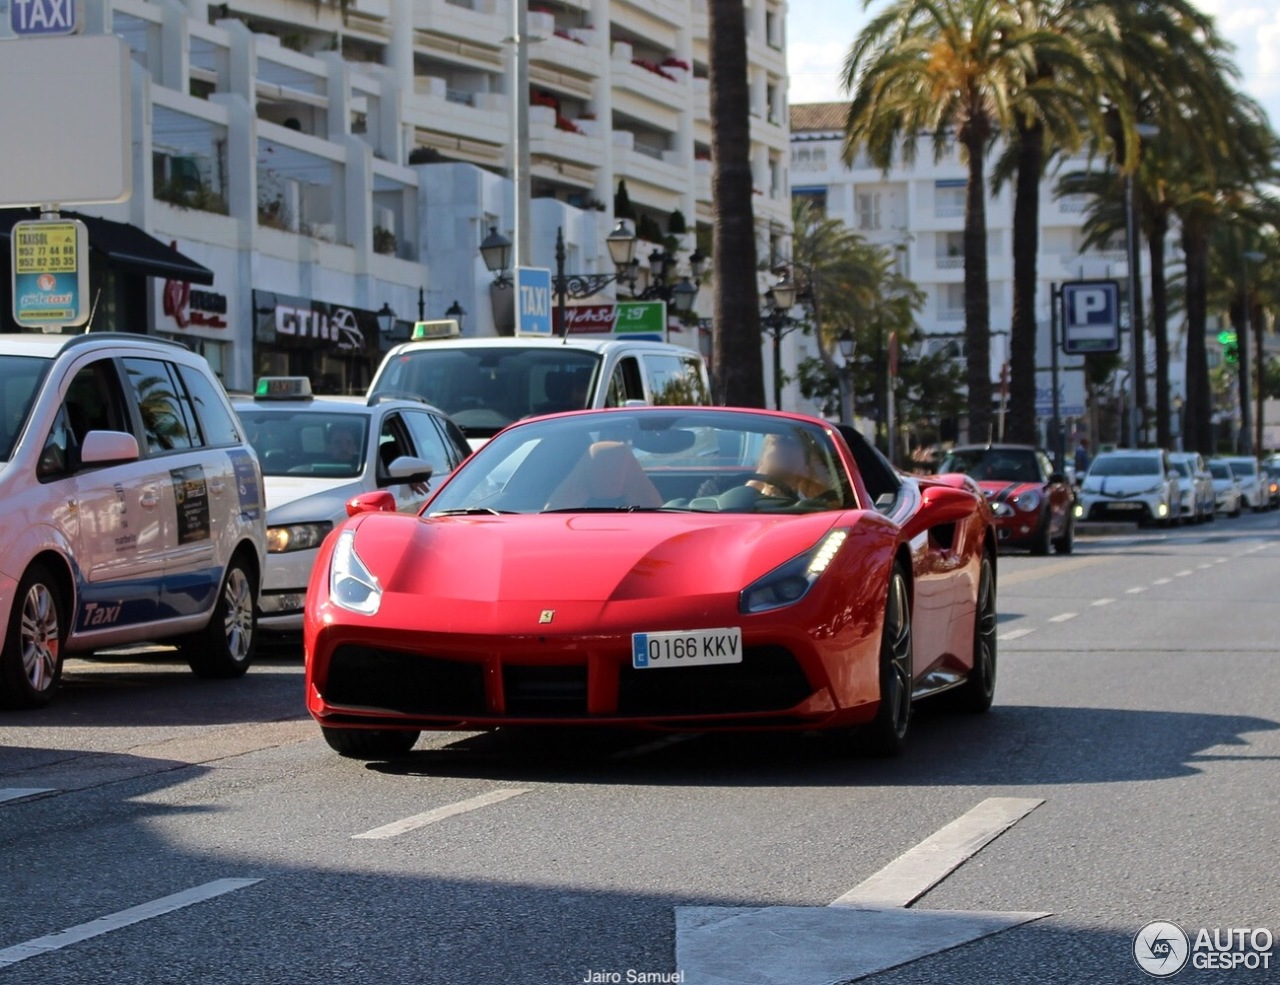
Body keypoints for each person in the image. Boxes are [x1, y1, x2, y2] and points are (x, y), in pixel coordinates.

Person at [747, 432, 832, 500]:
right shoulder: (745, 504)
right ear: (761, 462)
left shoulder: (815, 508)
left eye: (791, 460)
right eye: (776, 458)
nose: (782, 466)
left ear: (805, 469)